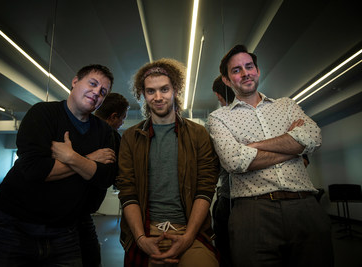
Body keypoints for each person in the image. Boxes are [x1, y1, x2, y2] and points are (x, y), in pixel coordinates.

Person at [207, 45, 334, 267]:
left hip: (305, 205)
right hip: (252, 211)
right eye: (236, 70)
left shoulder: (286, 105)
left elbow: (313, 137)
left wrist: (251, 147)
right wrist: (293, 145)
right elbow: (234, 161)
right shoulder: (219, 118)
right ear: (227, 80)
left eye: (249, 66)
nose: (245, 73)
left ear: (257, 70)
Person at [0, 64, 118, 267]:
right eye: (93, 83)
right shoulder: (43, 114)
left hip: (64, 229)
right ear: (75, 81)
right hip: (13, 225)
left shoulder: (104, 132)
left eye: (103, 92)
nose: (96, 92)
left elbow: (105, 177)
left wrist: (71, 156)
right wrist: (90, 159)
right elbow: (35, 170)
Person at [117, 58, 220, 267]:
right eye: (150, 91)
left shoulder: (198, 134)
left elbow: (205, 188)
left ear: (175, 90)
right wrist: (140, 240)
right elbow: (127, 191)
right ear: (143, 95)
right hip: (146, 231)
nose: (158, 97)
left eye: (164, 89)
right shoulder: (130, 137)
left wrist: (188, 238)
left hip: (189, 231)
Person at [78, 92, 129, 267]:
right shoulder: (112, 137)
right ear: (113, 116)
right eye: (122, 119)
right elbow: (116, 177)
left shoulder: (80, 128)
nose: (121, 123)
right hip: (78, 214)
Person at [210, 75, 234, 267]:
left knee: (225, 253)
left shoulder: (217, 121)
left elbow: (214, 168)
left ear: (220, 96)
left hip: (229, 200)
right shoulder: (217, 121)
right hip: (228, 198)